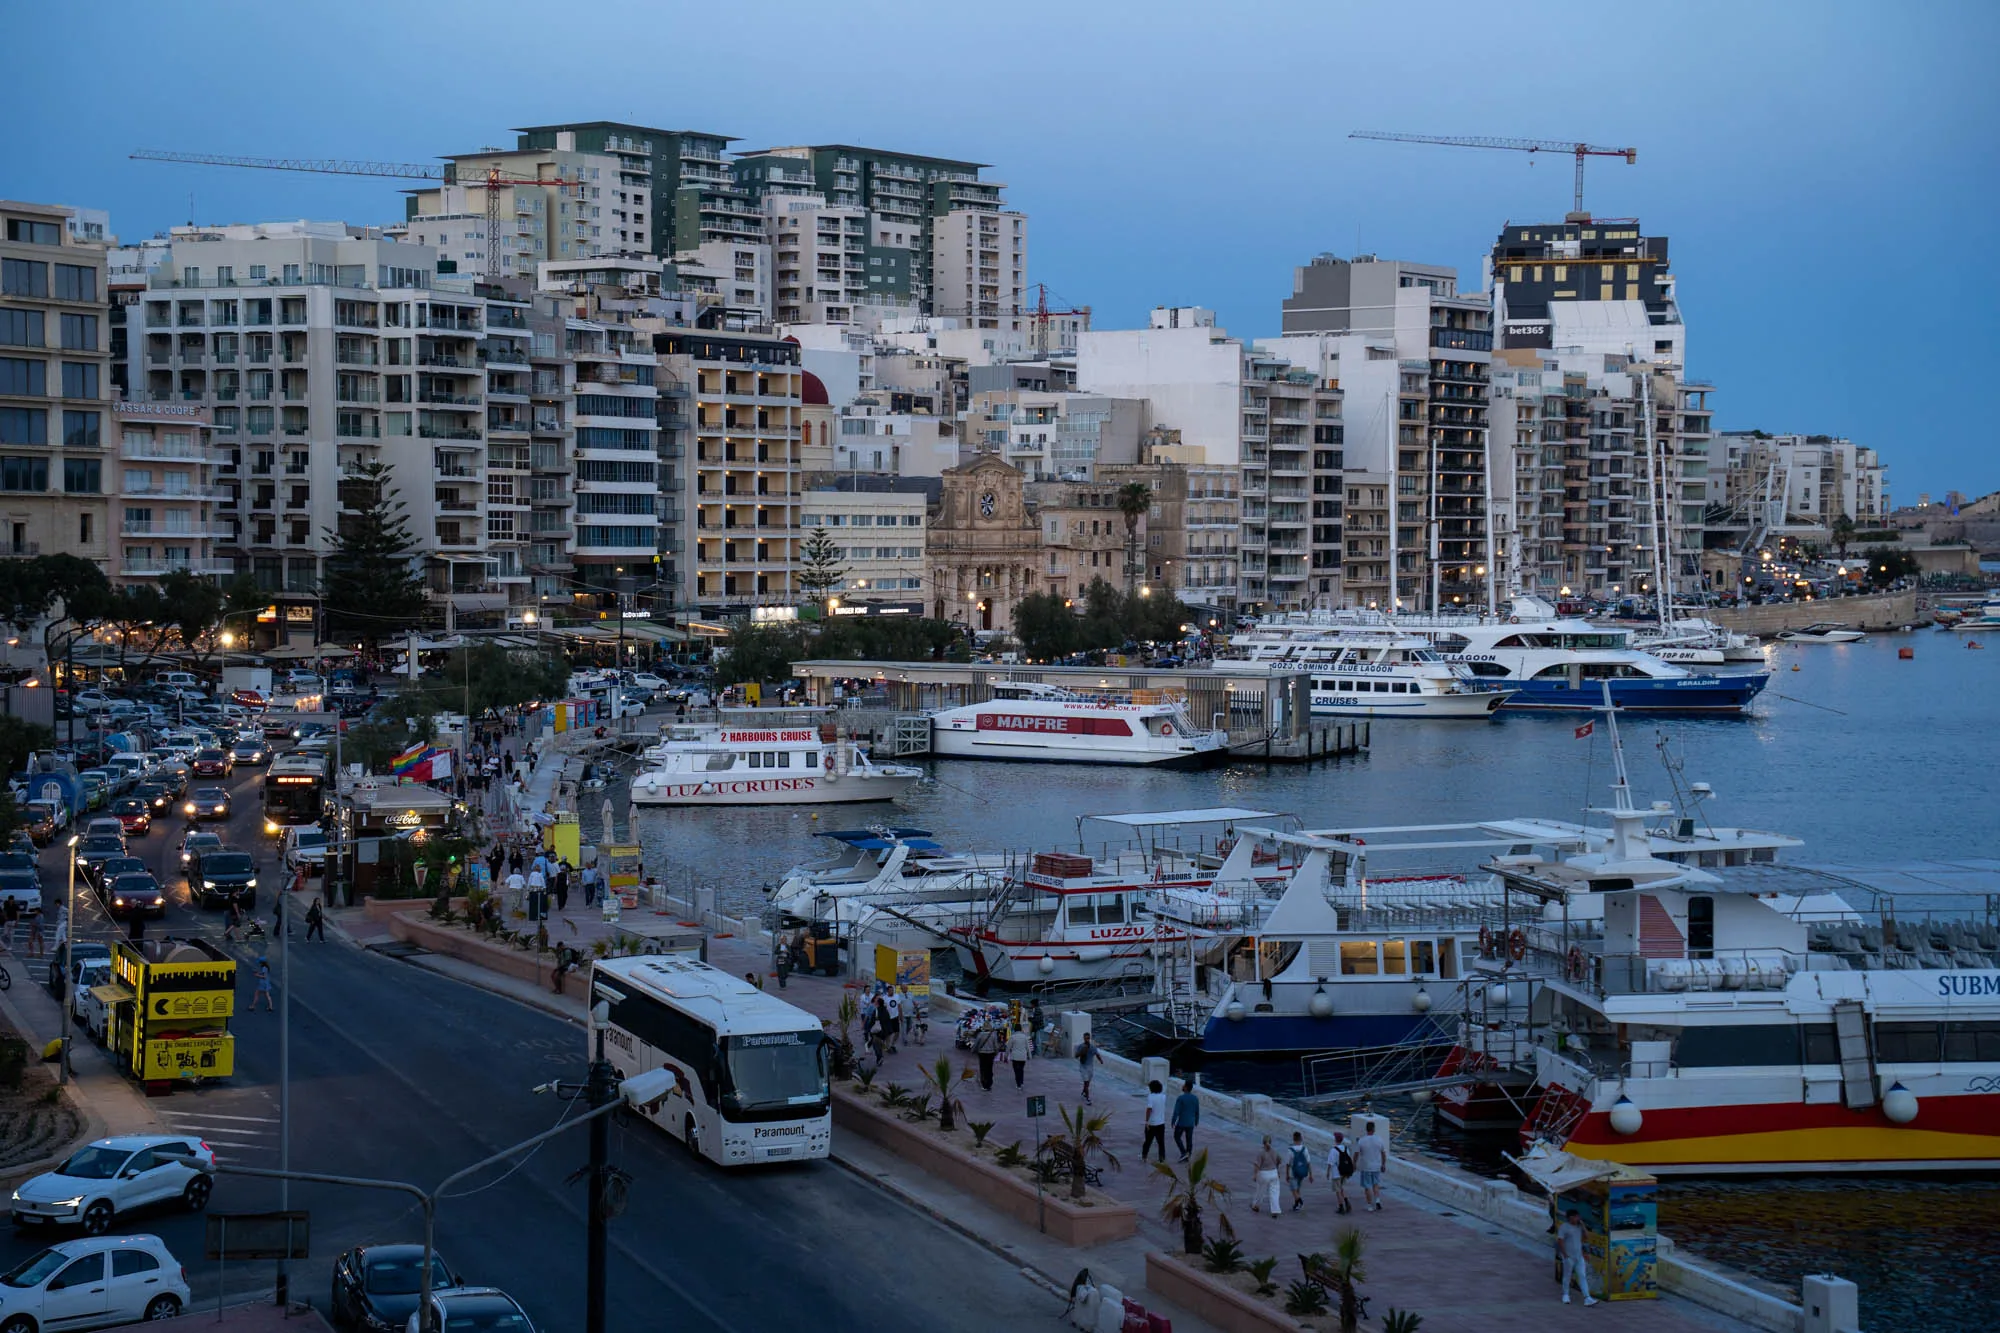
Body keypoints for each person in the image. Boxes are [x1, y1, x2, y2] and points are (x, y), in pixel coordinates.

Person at [1557, 1209, 1597, 1306]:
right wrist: (1565, 1254)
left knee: (1582, 1275)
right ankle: (1566, 1295)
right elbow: (1560, 1240)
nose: (1578, 1218)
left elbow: (1586, 1236)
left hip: (1579, 1257)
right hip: (1569, 1256)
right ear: (1571, 1217)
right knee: (1567, 1276)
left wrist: (1583, 1225)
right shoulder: (1564, 1227)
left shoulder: (1579, 1227)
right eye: (1576, 1217)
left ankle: (1587, 1297)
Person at [1353, 1119, 1390, 1211]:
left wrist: (1354, 1163)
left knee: (1367, 1186)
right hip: (1376, 1166)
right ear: (1374, 1129)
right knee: (1375, 1185)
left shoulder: (1362, 1141)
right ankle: (1377, 1200)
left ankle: (1370, 1205)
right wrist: (1383, 1164)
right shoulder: (1379, 1140)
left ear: (1366, 1129)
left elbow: (1356, 1153)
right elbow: (1383, 1153)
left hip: (1366, 1166)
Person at [1251, 1136, 1283, 1215]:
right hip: (1274, 1173)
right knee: (1275, 1192)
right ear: (1271, 1142)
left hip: (1263, 1174)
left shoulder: (1261, 1152)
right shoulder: (1274, 1151)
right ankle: (1275, 1210)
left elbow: (1257, 1165)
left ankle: (1256, 1205)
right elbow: (1280, 1160)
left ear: (1263, 1142)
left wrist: (1255, 1175)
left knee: (1260, 1191)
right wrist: (1277, 1170)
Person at [1171, 1079, 1200, 1162]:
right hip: (1191, 1122)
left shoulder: (1181, 1098)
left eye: (1183, 1085)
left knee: (1177, 1137)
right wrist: (1196, 1121)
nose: (1182, 1086)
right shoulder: (1195, 1098)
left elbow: (1176, 1111)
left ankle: (1184, 1153)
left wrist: (1173, 1121)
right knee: (1189, 1139)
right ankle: (1188, 1154)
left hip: (1182, 1122)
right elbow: (1197, 1111)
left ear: (1186, 1088)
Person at [1327, 1131, 1355, 1214]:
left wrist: (1328, 1172)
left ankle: (1341, 1207)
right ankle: (1346, 1202)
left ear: (1335, 1139)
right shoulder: (1345, 1149)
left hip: (1336, 1173)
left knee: (1337, 1190)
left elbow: (1330, 1163)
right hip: (1344, 1173)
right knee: (1342, 1188)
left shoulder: (1333, 1150)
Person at [1142, 1080, 1169, 1163]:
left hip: (1152, 1123)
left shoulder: (1150, 1097)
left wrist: (1146, 1121)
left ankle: (1144, 1156)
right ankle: (1162, 1158)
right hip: (1161, 1122)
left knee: (1148, 1141)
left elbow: (1149, 1109)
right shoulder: (1163, 1097)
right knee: (1161, 1142)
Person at [1287, 1131, 1314, 1212]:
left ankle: (1300, 1202)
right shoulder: (1305, 1149)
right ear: (1301, 1139)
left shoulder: (1290, 1150)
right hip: (1302, 1172)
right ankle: (1296, 1205)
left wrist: (1287, 1174)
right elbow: (1308, 1163)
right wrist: (1311, 1175)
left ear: (1293, 1139)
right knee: (1298, 1189)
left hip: (1293, 1172)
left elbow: (1287, 1164)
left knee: (1293, 1190)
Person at [972, 1019, 1001, 1091]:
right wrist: (996, 1052)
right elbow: (996, 1046)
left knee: (983, 1068)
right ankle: (989, 1084)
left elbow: (976, 1044)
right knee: (989, 1069)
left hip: (982, 1053)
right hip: (991, 1054)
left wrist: (973, 1051)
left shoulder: (980, 1035)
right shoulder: (993, 1035)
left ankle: (984, 1084)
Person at [1075, 1031, 1104, 1104]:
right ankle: (1087, 1098)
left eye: (1088, 1038)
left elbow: (1097, 1054)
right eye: (1085, 1038)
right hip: (1083, 1067)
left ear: (1089, 1038)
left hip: (1090, 1067)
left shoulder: (1092, 1047)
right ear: (1084, 1038)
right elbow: (1076, 1056)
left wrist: (1101, 1060)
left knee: (1087, 1083)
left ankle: (1084, 1091)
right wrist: (1081, 1052)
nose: (1087, 1039)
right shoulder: (1081, 1046)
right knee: (1086, 1082)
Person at [1006, 1023, 1032, 1088]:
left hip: (1015, 1057)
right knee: (1021, 1069)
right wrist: (1030, 1055)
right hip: (1023, 1056)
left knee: (1016, 1070)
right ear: (1021, 1029)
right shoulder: (1025, 1037)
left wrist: (1005, 1056)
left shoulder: (1012, 1037)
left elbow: (1008, 1047)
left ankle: (1018, 1084)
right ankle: (1021, 1081)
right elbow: (1028, 1047)